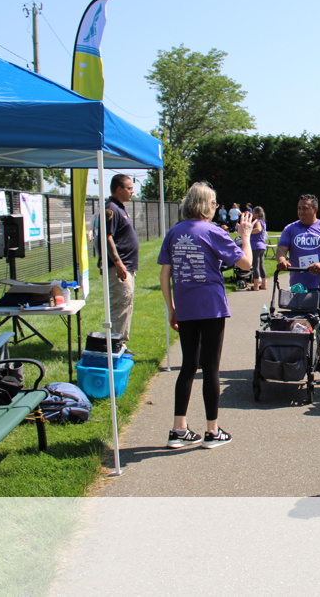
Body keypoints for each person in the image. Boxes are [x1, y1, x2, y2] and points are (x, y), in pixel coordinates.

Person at [159, 182, 252, 449]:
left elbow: (165, 275)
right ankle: (212, 430)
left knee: (188, 366)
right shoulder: (213, 231)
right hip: (211, 306)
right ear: (205, 204)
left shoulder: (174, 232)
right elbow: (245, 263)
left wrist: (172, 308)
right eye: (213, 203)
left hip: (185, 306)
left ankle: (178, 429)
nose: (215, 207)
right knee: (210, 367)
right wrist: (245, 236)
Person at [276, 194, 320, 375]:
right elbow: (281, 248)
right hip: (299, 287)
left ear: (315, 209)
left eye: (305, 208)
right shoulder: (291, 229)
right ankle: (299, 355)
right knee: (298, 322)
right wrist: (282, 260)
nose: (301, 212)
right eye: (299, 208)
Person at [100, 174, 139, 341]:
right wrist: (118, 263)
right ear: (118, 189)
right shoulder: (111, 209)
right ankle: (115, 345)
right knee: (119, 307)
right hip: (119, 269)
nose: (132, 191)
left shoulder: (120, 208)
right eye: (129, 188)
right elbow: (107, 237)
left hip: (127, 266)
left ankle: (121, 343)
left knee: (126, 305)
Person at [250, 206, 268, 291]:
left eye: (253, 213)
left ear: (257, 214)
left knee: (255, 266)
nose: (252, 214)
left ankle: (256, 285)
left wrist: (248, 231)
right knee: (261, 266)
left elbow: (258, 229)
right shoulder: (263, 222)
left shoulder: (257, 221)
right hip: (262, 245)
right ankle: (264, 284)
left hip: (255, 246)